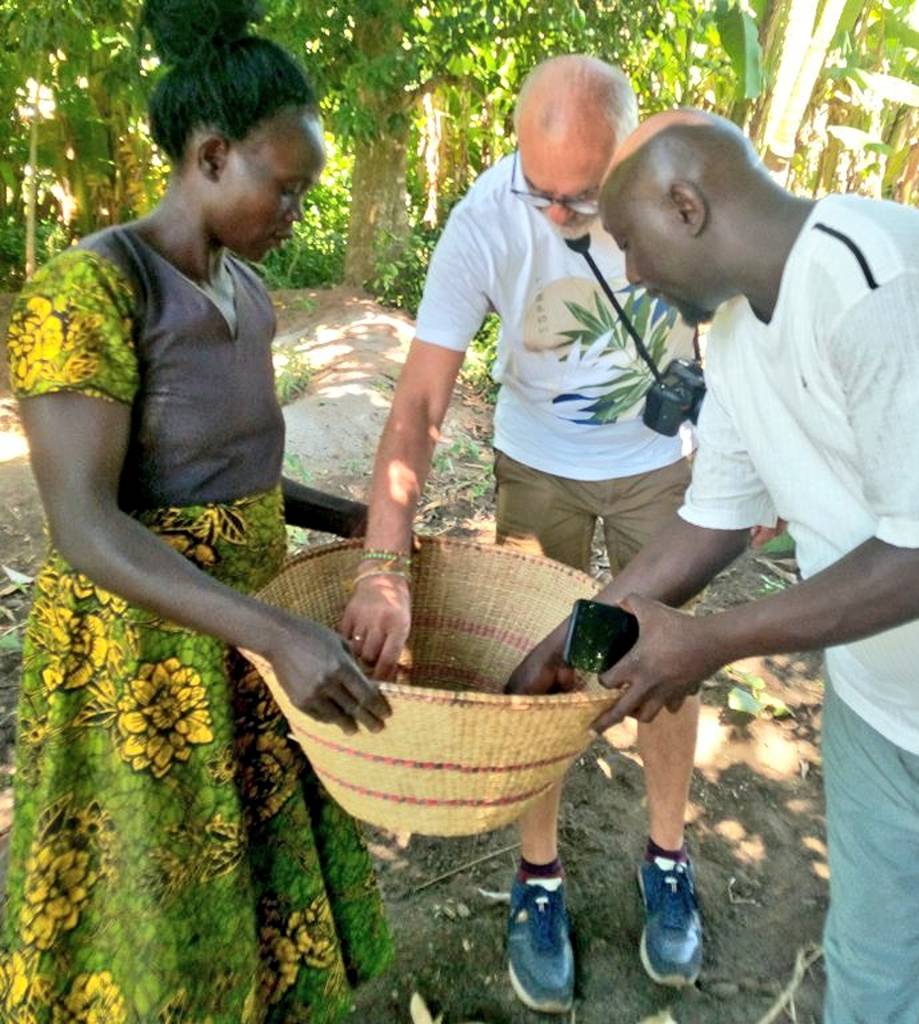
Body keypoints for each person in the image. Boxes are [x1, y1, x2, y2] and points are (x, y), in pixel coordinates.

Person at [511, 109, 919, 1023]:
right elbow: (713, 519)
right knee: (878, 986)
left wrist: (710, 642)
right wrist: (579, 630)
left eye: (631, 244)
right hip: (880, 724)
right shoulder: (740, 336)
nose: (631, 273)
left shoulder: (886, 282)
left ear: (686, 204)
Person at [0, 2, 394, 1020]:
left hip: (245, 633)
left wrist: (343, 518)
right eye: (288, 186)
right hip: (136, 663)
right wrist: (280, 634)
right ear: (212, 155)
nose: (299, 210)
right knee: (149, 883)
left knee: (244, 865)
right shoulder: (89, 292)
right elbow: (86, 527)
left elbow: (228, 468)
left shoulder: (246, 289)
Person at [342, 55, 703, 1013]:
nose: (552, 216)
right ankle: (537, 877)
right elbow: (419, 399)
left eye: (580, 198)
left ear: (628, 160)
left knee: (664, 666)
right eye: (535, 190)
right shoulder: (483, 218)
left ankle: (667, 856)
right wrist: (384, 563)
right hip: (537, 469)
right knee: (540, 684)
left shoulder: (685, 184)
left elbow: (746, 314)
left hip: (661, 469)